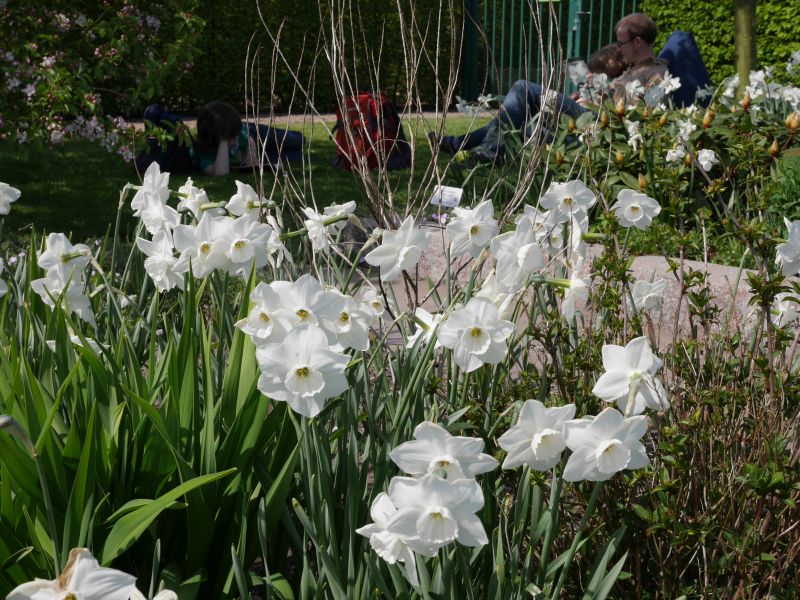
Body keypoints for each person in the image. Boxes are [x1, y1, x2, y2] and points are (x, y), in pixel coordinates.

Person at [431, 13, 667, 159]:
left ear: (637, 41)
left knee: (524, 89)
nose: (618, 48)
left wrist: (599, 101)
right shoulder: (629, 70)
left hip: (597, 125)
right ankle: (473, 148)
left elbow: (643, 114)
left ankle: (476, 147)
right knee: (520, 120)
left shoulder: (657, 73)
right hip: (588, 113)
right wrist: (592, 94)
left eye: (621, 42)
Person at [193, 101, 305, 175]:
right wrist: (223, 142)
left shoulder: (237, 134)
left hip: (255, 133)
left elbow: (249, 140)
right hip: (254, 150)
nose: (235, 141)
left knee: (299, 140)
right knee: (298, 157)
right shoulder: (204, 153)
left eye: (234, 137)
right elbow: (221, 172)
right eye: (230, 138)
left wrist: (252, 154)